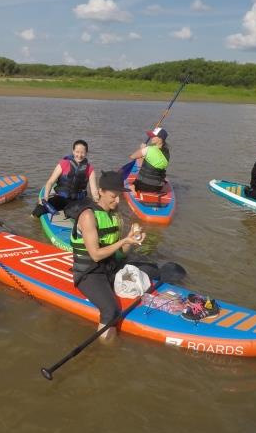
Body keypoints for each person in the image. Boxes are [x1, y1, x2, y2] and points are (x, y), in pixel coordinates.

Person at [70, 171, 152, 341]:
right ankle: (106, 352)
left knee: (152, 270)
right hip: (89, 273)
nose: (118, 200)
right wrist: (123, 241)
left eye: (119, 196)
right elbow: (95, 255)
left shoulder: (115, 215)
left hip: (110, 267)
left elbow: (120, 254)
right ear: (101, 191)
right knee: (111, 310)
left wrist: (130, 240)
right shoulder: (88, 216)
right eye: (113, 196)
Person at [33, 139, 98, 217]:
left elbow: (94, 190)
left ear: (86, 153)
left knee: (75, 211)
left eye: (82, 153)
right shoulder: (64, 164)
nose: (79, 155)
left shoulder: (90, 169)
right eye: (77, 152)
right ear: (73, 151)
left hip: (78, 201)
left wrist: (96, 200)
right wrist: (46, 197)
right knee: (39, 210)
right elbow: (50, 182)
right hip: (61, 198)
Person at [127, 126, 171, 194]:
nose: (151, 138)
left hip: (142, 185)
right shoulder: (167, 153)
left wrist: (141, 149)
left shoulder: (148, 149)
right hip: (158, 187)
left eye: (154, 136)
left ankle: (133, 187)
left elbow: (132, 157)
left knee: (134, 184)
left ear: (160, 139)